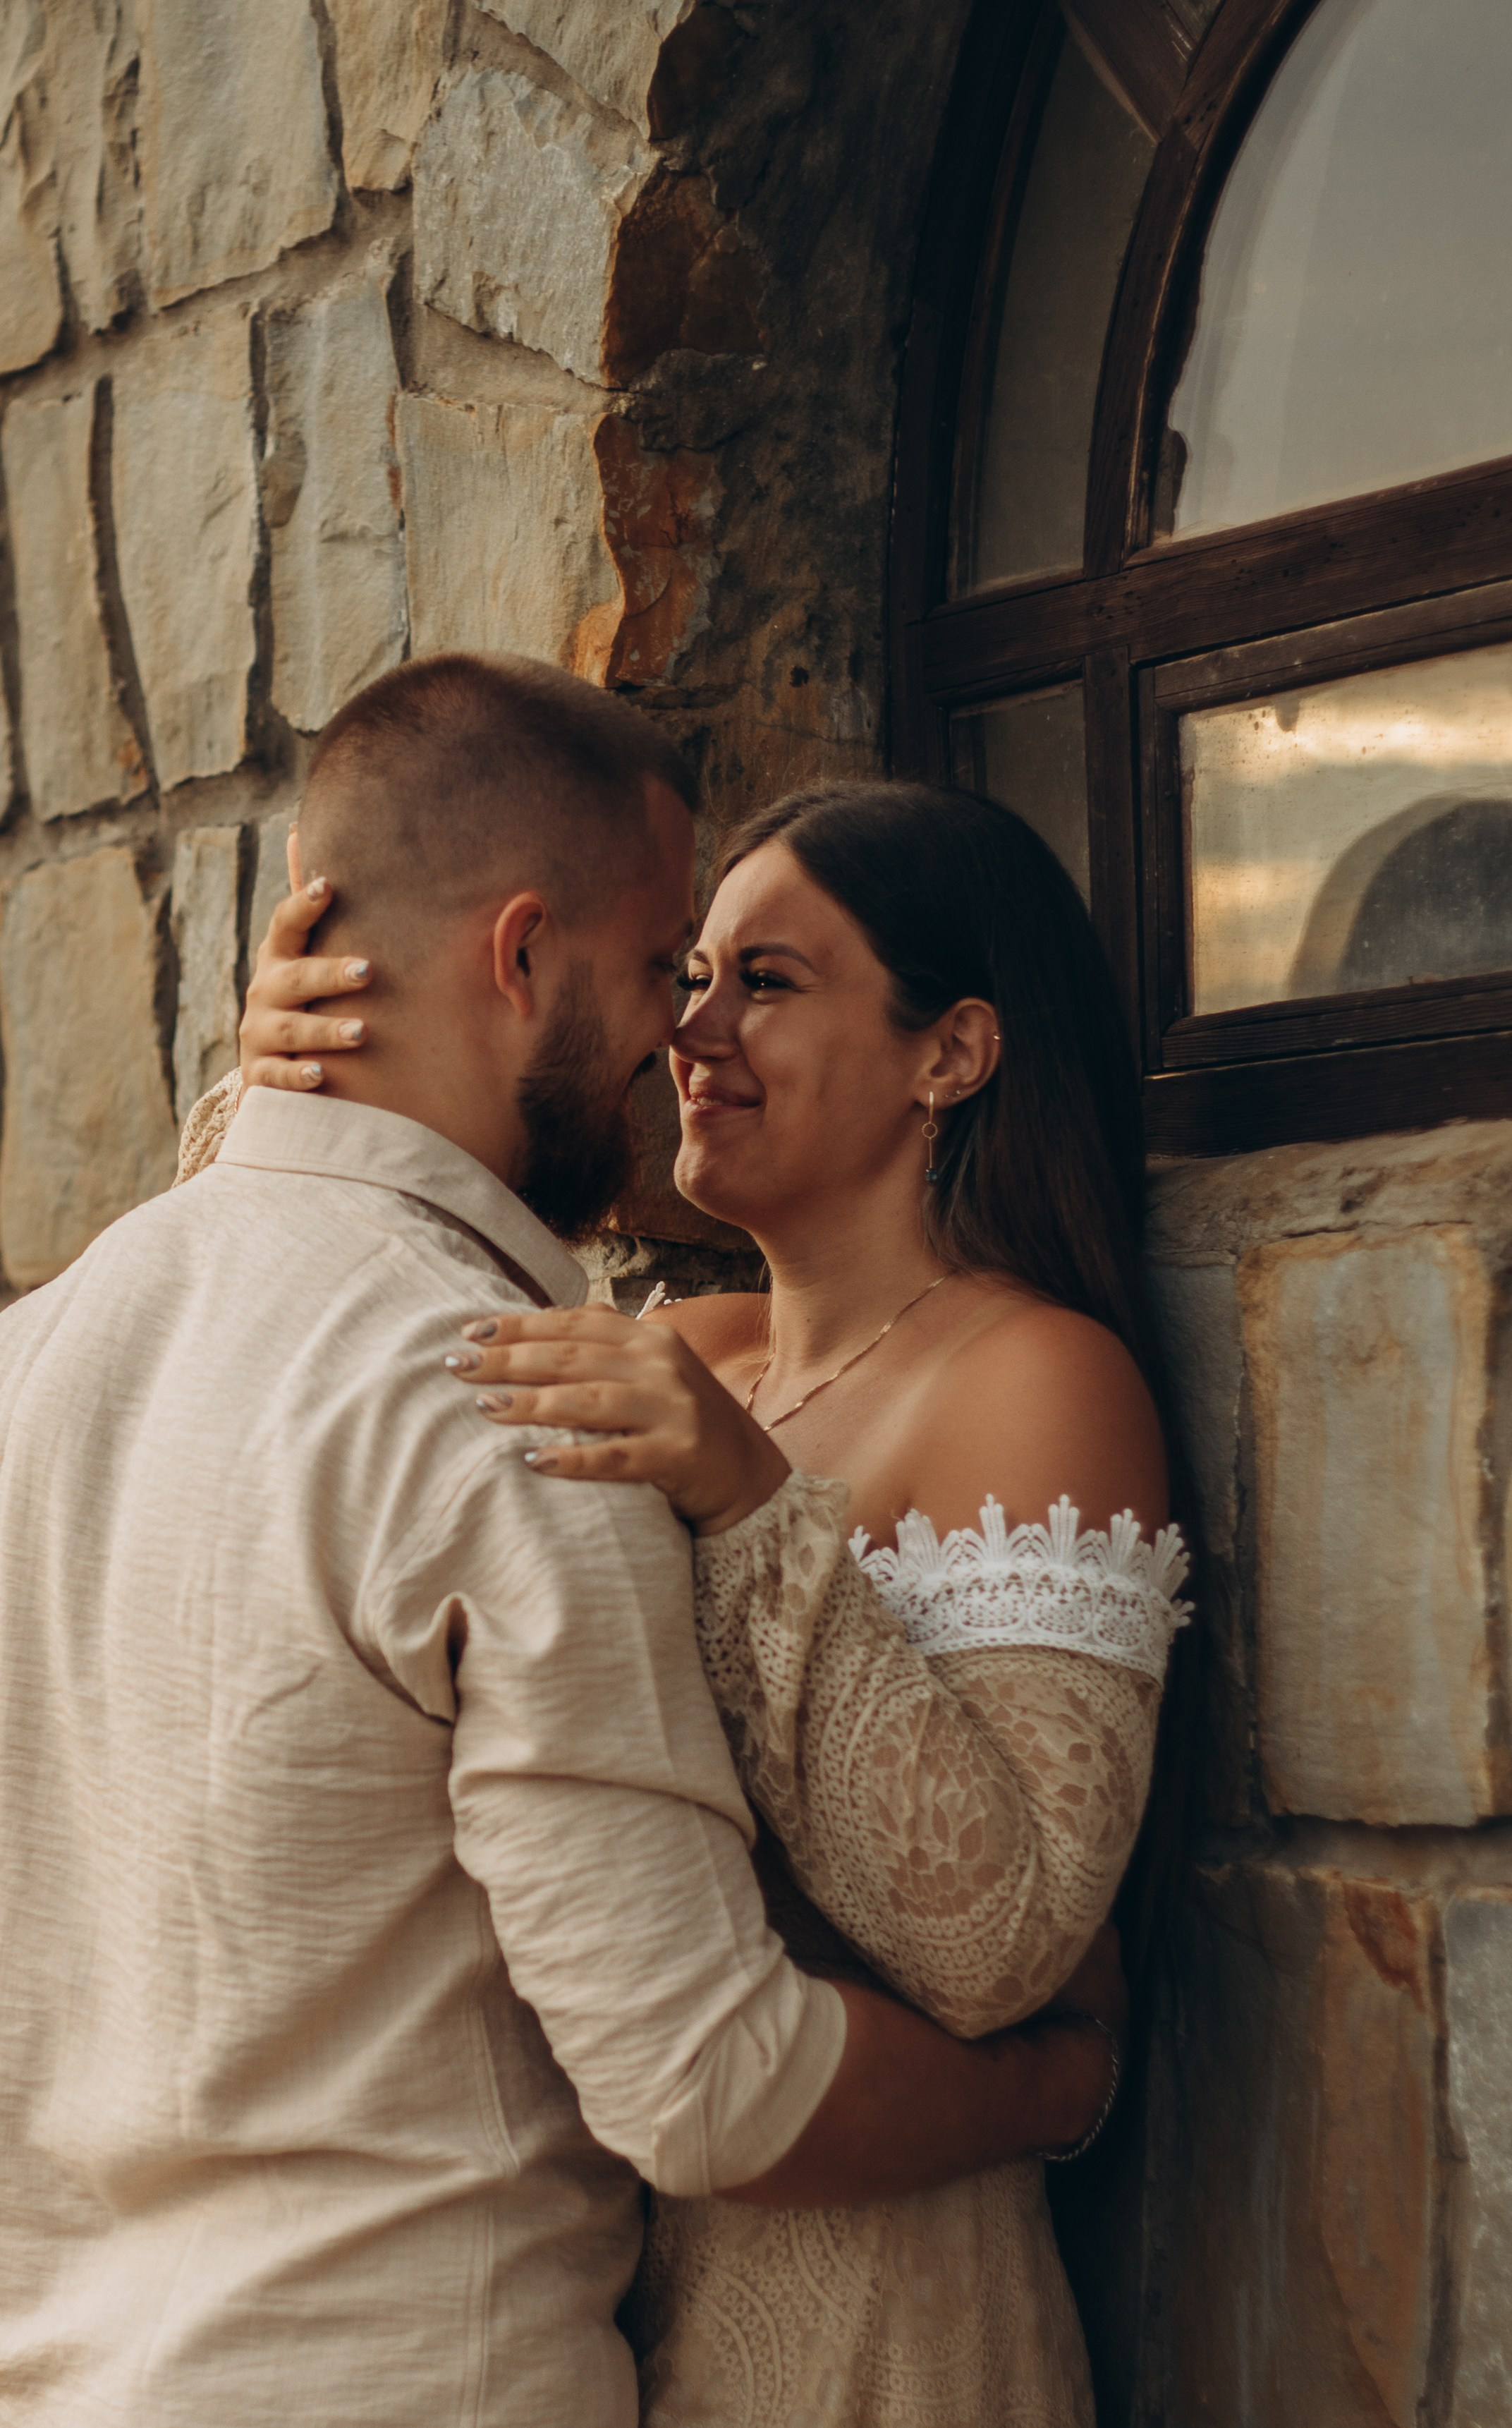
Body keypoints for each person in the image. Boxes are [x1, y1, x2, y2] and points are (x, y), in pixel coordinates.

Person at [0, 657, 1121, 2428]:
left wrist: (306, 1114)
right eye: (678, 962)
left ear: (953, 1050)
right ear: (520, 956)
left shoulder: (45, 1352)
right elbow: (705, 2077)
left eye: (752, 978)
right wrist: (1051, 2091)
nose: (687, 1030)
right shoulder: (544, 1395)